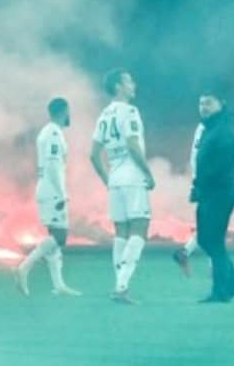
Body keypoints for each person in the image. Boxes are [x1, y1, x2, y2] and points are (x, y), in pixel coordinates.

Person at [90, 69, 155, 305]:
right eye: (129, 81)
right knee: (140, 229)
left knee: (121, 233)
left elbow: (93, 155)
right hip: (132, 176)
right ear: (119, 86)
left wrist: (107, 179)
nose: (133, 84)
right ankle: (121, 286)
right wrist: (148, 173)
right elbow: (132, 144)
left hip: (116, 178)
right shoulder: (130, 112)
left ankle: (119, 284)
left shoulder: (104, 115)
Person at [16, 98, 81, 296]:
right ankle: (24, 268)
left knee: (54, 239)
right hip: (52, 191)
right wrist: (61, 194)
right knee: (59, 238)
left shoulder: (49, 132)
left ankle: (58, 284)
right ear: (64, 111)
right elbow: (53, 166)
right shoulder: (53, 133)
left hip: (47, 189)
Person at [190, 91, 234, 303]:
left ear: (221, 103)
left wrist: (202, 185)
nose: (204, 107)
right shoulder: (211, 127)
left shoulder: (223, 130)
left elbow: (219, 165)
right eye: (201, 102)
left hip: (219, 193)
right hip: (210, 192)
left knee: (211, 239)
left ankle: (225, 288)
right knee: (210, 240)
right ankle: (230, 284)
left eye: (209, 103)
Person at [173, 122, 204, 277]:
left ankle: (185, 252)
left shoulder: (203, 127)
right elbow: (197, 156)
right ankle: (217, 266)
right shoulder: (207, 127)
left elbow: (195, 155)